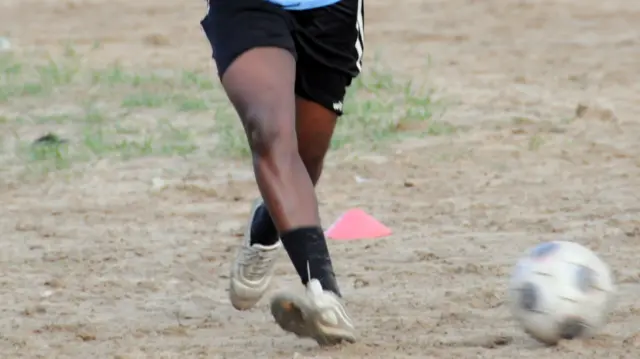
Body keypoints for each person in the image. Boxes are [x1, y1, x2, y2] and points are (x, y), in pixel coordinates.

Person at [200, 0, 364, 347]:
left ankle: (268, 222)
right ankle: (324, 295)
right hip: (247, 8)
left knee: (305, 159)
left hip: (331, 11)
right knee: (270, 131)